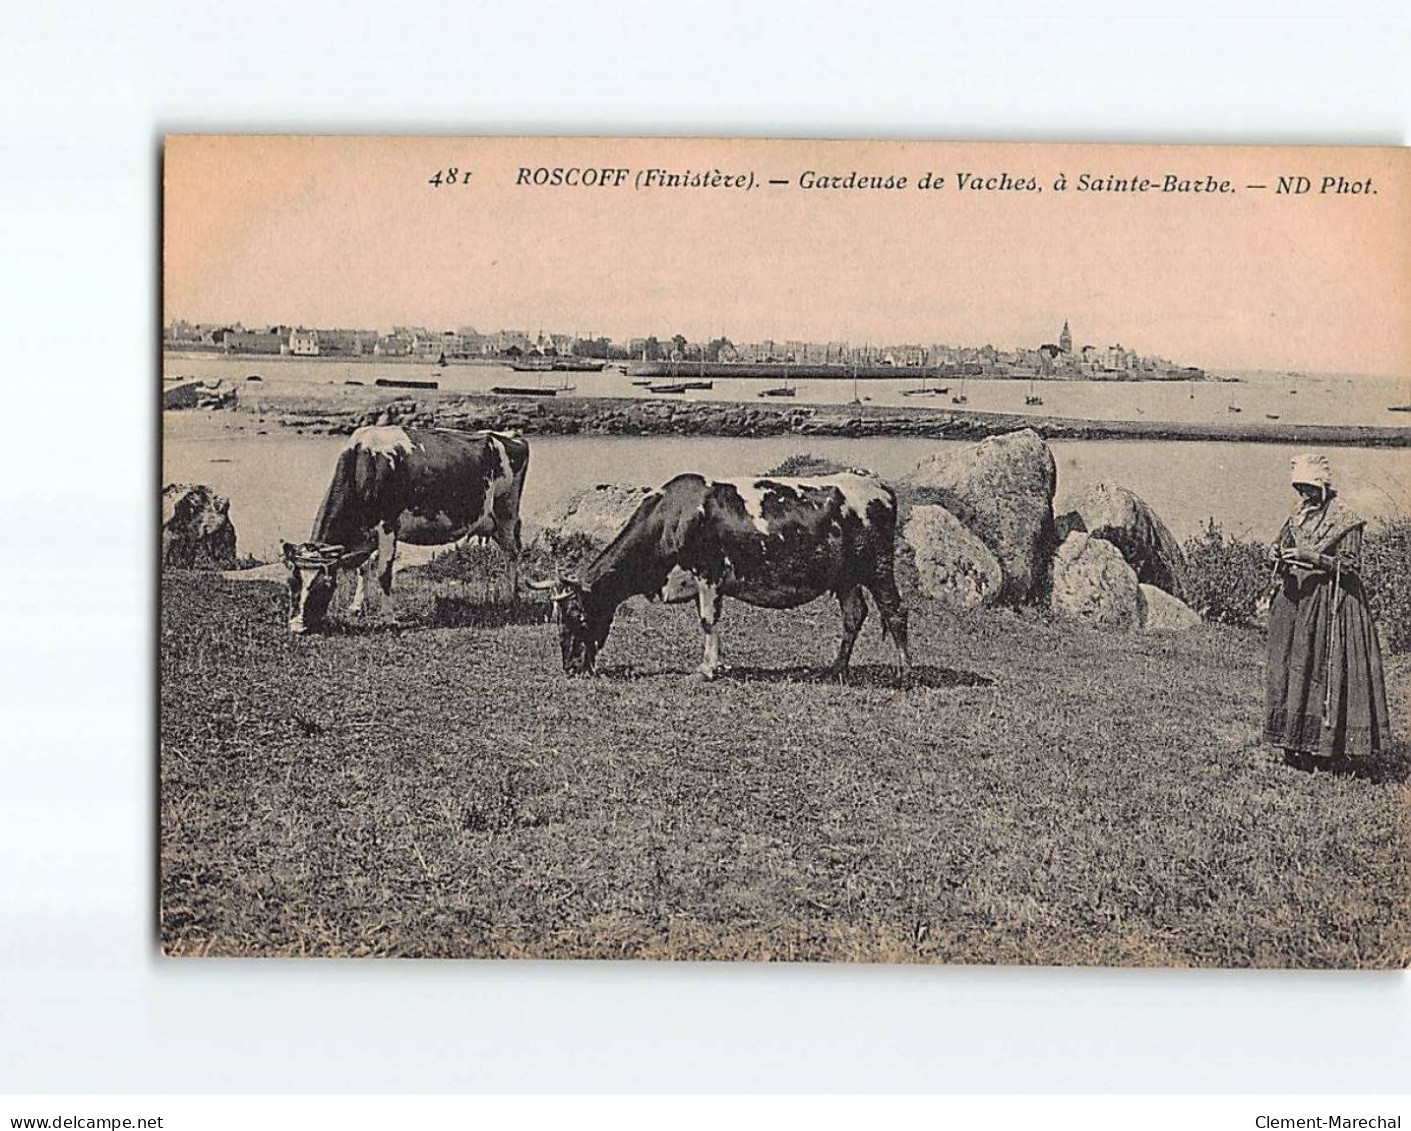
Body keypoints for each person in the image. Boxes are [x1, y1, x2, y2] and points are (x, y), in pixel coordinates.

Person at [1264, 453, 1391, 768]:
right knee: (1290, 670)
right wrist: (1275, 553)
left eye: (1308, 488)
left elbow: (1349, 566)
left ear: (1322, 486)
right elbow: (1280, 543)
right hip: (1296, 602)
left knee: (1322, 671)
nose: (1304, 495)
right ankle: (1292, 742)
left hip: (1329, 604)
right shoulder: (1298, 516)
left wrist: (1312, 558)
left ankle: (1326, 746)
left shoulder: (1345, 519)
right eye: (1299, 488)